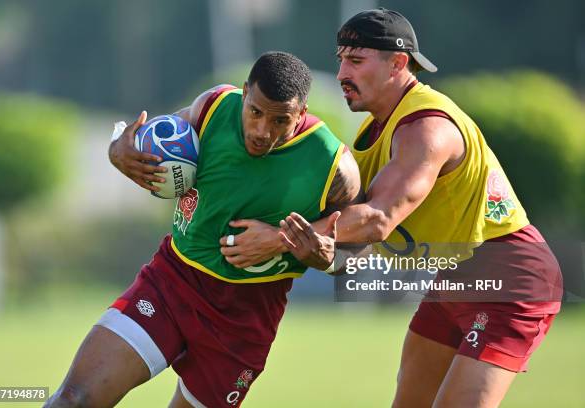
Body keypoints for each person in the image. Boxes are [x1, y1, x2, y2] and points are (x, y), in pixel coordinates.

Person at [220, 9, 563, 408]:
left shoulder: (427, 128)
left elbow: (379, 218)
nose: (343, 72)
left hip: (512, 279)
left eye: (357, 60)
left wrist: (279, 238)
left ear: (398, 63)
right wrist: (320, 251)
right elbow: (353, 231)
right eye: (341, 59)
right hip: (454, 279)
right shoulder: (373, 129)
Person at [44, 51, 362, 408]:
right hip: (171, 283)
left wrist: (324, 255)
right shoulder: (213, 107)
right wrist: (118, 149)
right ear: (244, 94)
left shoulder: (333, 166)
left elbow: (358, 244)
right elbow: (149, 140)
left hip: (244, 319)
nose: (262, 130)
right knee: (72, 400)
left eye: (280, 121)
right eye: (255, 112)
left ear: (301, 114)